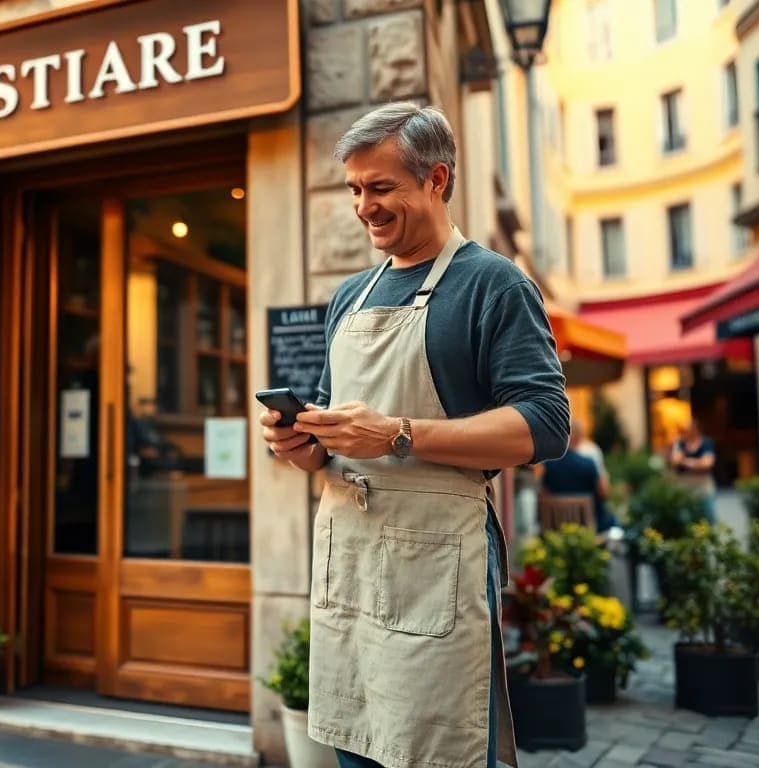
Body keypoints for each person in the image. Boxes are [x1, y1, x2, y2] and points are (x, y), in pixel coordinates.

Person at [258, 103, 569, 768]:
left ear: (436, 179)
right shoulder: (349, 297)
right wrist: (303, 445)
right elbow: (338, 442)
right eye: (354, 189)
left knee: (437, 750)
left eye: (380, 187)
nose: (363, 206)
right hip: (352, 564)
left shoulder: (494, 283)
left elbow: (545, 424)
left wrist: (399, 434)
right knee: (357, 747)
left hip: (437, 570)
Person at [540, 419, 617, 535]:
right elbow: (603, 493)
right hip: (590, 526)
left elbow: (544, 494)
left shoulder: (549, 464)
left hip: (558, 528)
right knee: (613, 520)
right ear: (579, 438)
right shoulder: (589, 463)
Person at [669, 421, 717, 523]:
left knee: (708, 514)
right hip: (683, 485)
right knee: (685, 517)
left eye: (689, 430)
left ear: (696, 430)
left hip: (702, 485)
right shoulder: (679, 443)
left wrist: (685, 461)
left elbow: (707, 463)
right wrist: (697, 462)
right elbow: (675, 461)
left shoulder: (706, 443)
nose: (686, 433)